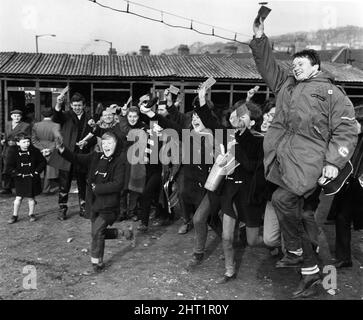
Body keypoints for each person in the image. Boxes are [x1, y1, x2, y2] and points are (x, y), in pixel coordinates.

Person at [250, 17, 358, 298]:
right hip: (287, 163)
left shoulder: (331, 92)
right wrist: (260, 38)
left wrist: (334, 163)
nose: (295, 67)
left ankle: (306, 261)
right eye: (293, 64)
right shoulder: (286, 86)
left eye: (301, 64)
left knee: (287, 205)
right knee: (308, 220)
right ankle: (320, 278)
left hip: (313, 166)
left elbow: (346, 130)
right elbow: (267, 66)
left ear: (316, 67)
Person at [56, 132, 131, 273]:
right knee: (96, 232)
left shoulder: (120, 162)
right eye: (104, 143)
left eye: (110, 143)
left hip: (109, 205)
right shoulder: (95, 157)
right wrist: (62, 149)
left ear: (117, 145)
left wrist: (98, 188)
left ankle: (97, 264)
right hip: (94, 203)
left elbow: (118, 184)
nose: (106, 146)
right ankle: (123, 233)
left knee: (97, 232)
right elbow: (76, 158)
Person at [49, 92, 96, 220]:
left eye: (79, 105)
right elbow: (56, 117)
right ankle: (62, 208)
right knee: (64, 183)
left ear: (84, 105)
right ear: (70, 105)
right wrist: (59, 103)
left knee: (82, 182)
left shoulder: (89, 117)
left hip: (82, 155)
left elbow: (94, 134)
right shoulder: (66, 115)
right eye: (74, 105)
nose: (77, 108)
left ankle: (83, 206)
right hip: (66, 154)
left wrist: (87, 141)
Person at [327, 118, 363, 268]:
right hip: (350, 182)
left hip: (359, 181)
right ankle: (343, 257)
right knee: (342, 218)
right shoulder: (349, 137)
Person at [6, 133, 46, 224]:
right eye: (24, 142)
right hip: (20, 178)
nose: (27, 143)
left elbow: (42, 162)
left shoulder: (35, 151)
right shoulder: (13, 152)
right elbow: (9, 166)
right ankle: (14, 215)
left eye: (28, 141)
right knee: (18, 198)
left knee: (31, 197)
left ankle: (31, 214)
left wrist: (36, 172)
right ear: (18, 143)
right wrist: (16, 173)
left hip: (32, 177)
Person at [1, 109, 31, 195]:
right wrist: (4, 140)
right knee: (6, 168)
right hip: (7, 149)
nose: (16, 117)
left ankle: (20, 187)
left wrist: (17, 142)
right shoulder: (8, 124)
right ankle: (6, 187)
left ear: (21, 117)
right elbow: (6, 135)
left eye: (18, 116)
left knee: (19, 168)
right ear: (11, 116)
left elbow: (28, 137)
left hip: (18, 149)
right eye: (14, 116)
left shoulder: (26, 125)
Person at [31, 108, 61, 194]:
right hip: (51, 149)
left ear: (42, 115)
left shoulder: (36, 125)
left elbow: (33, 140)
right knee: (49, 170)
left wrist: (41, 149)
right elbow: (58, 140)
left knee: (39, 168)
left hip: (39, 149)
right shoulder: (56, 125)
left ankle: (37, 188)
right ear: (52, 115)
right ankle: (46, 189)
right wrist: (49, 149)